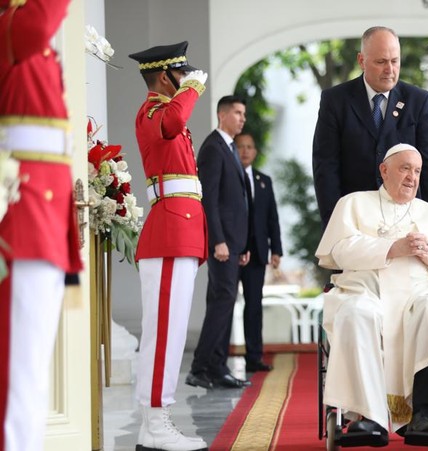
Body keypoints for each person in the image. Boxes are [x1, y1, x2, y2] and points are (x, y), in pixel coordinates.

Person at [316, 144, 428, 443]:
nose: (412, 177)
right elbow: (338, 251)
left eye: (417, 171)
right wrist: (393, 248)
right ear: (384, 170)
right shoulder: (353, 204)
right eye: (405, 168)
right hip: (366, 291)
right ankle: (369, 417)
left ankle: (426, 414)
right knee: (356, 313)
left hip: (418, 295)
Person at [0, 1, 82, 449]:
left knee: (30, 375)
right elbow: (42, 17)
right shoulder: (12, 28)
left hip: (43, 221)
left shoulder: (29, 39)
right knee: (19, 377)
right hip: (22, 220)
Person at [128, 41, 208, 450]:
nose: (190, 80)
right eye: (183, 74)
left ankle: (156, 422)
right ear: (166, 76)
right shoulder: (154, 112)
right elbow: (174, 122)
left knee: (171, 331)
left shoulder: (166, 112)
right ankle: (156, 422)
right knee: (164, 332)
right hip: (168, 233)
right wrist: (191, 90)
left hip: (182, 231)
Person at [312, 26, 428, 228]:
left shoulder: (418, 101)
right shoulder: (336, 101)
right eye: (381, 62)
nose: (389, 70)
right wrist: (335, 224)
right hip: (354, 219)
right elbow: (326, 166)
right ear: (361, 61)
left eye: (395, 61)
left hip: (406, 220)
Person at [186, 96, 252, 390]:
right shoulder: (213, 148)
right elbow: (209, 200)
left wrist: (243, 244)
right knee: (222, 302)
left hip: (234, 243)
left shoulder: (228, 147)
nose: (242, 119)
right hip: (222, 243)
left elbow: (236, 201)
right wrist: (219, 241)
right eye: (237, 113)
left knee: (222, 302)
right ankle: (200, 367)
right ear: (222, 114)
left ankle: (216, 366)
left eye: (243, 114)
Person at [234, 131, 282, 373]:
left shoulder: (265, 180)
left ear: (255, 151)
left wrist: (277, 250)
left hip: (257, 253)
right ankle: (219, 360)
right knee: (224, 304)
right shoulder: (230, 177)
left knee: (254, 305)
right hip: (232, 252)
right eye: (240, 146)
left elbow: (272, 217)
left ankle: (254, 357)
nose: (245, 151)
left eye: (249, 146)